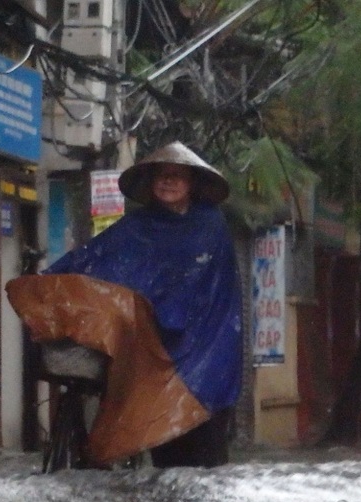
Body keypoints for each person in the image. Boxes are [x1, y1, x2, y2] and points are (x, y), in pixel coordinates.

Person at [44, 141, 243, 468]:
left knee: (204, 446)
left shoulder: (210, 225)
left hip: (207, 341)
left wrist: (168, 302)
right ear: (151, 182)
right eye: (162, 175)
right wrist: (53, 279)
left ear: (191, 183)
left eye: (176, 175)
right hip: (153, 343)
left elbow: (212, 285)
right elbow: (95, 259)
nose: (168, 181)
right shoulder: (137, 227)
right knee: (161, 441)